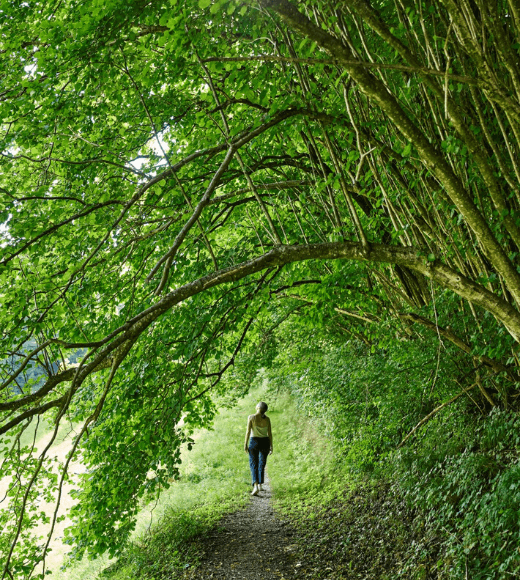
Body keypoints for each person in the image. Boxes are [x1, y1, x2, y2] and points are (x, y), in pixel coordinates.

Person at [244, 401, 273, 496]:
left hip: (254, 441)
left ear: (257, 407)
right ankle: (260, 484)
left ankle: (255, 485)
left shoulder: (251, 417)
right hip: (265, 442)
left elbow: (248, 432)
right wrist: (271, 446)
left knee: (253, 462)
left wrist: (245, 444)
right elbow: (269, 433)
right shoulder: (267, 419)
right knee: (262, 462)